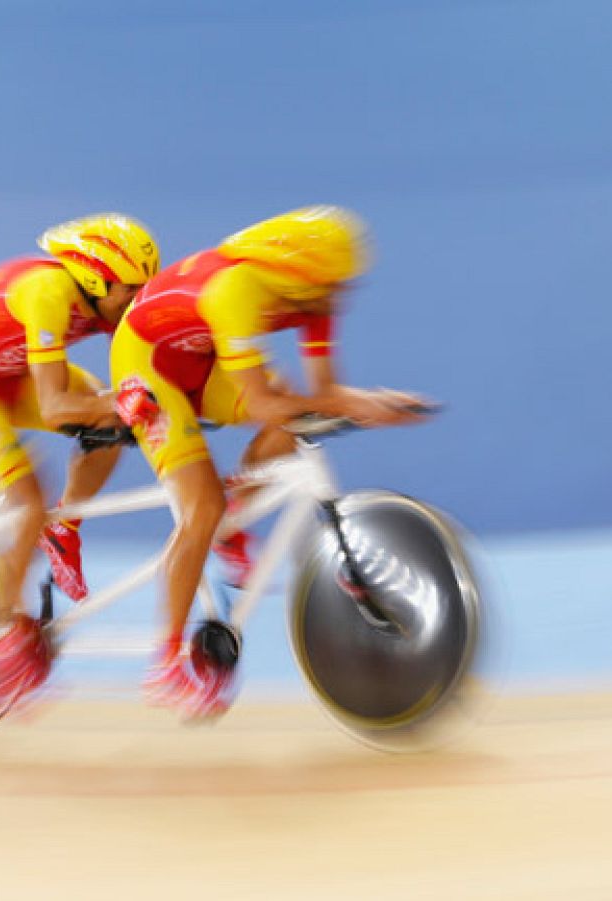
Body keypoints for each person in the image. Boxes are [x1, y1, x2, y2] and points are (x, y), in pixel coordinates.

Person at [109, 206, 425, 720]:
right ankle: (163, 664)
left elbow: (323, 391)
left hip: (203, 354)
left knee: (288, 423)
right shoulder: (237, 290)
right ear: (299, 273)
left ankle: (231, 520)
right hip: (148, 365)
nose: (339, 297)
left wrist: (370, 400)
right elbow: (264, 405)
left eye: (344, 285)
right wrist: (353, 411)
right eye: (332, 285)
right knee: (200, 509)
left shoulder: (315, 291)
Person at [0, 213, 158, 712]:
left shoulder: (106, 303)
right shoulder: (49, 292)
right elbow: (55, 408)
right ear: (96, 280)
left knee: (108, 425)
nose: (138, 301)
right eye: (131, 291)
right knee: (26, 500)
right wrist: (125, 404)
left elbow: (146, 366)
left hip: (13, 374)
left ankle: (63, 527)